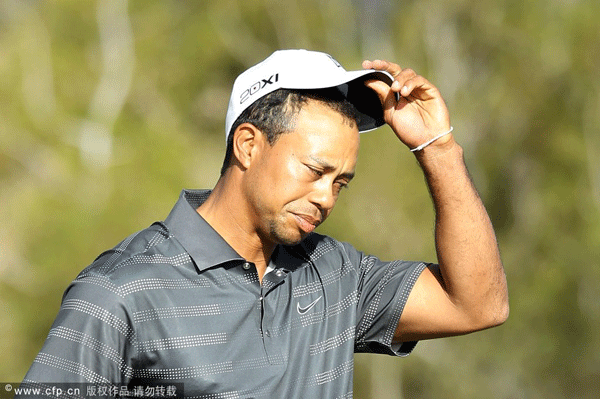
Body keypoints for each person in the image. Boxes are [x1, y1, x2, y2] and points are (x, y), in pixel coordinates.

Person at [19, 49, 508, 398]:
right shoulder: (118, 292)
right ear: (248, 145)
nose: (325, 197)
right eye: (315, 171)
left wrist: (438, 150)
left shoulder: (335, 274)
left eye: (341, 183)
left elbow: (479, 305)